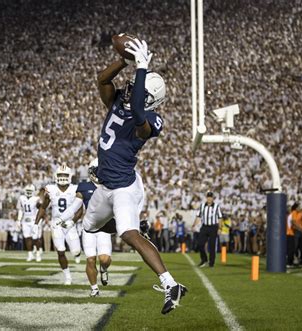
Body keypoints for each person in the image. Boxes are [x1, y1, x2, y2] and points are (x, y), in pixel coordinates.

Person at [79, 38, 186, 315]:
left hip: (125, 187)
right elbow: (102, 79)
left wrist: (141, 68)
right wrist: (124, 62)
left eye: (134, 87)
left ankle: (170, 284)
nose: (128, 89)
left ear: (149, 98)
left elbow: (139, 113)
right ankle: (140, 227)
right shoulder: (116, 101)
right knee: (89, 228)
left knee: (127, 233)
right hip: (104, 186)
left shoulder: (151, 121)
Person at [53, 158, 113, 297]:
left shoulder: (111, 186)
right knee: (90, 259)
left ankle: (104, 269)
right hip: (88, 229)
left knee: (104, 259)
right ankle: (94, 289)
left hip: (104, 228)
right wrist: (61, 218)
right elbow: (75, 206)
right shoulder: (84, 187)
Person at [34, 164, 82, 285]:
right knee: (60, 250)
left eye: (65, 175)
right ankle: (67, 277)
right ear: (56, 176)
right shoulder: (51, 189)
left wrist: (73, 221)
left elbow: (80, 209)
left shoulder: (75, 189)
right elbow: (43, 208)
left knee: (76, 251)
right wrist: (36, 223)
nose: (62, 177)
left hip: (70, 225)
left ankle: (76, 254)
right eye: (60, 175)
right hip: (56, 224)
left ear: (70, 176)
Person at [192, 191, 223, 268]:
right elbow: (198, 216)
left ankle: (211, 263)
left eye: (210, 197)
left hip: (213, 227)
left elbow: (220, 218)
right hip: (204, 226)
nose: (209, 199)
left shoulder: (216, 206)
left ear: (213, 198)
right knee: (200, 244)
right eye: (208, 197)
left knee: (212, 246)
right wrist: (194, 225)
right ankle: (204, 259)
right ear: (206, 198)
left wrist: (220, 228)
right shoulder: (202, 206)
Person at [16, 185, 42, 261]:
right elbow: (20, 210)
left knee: (35, 238)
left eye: (30, 191)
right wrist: (18, 220)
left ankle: (37, 253)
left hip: (34, 220)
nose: (28, 192)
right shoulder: (21, 198)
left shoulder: (36, 199)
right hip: (25, 220)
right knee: (27, 238)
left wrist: (38, 221)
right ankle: (30, 254)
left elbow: (40, 209)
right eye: (27, 191)